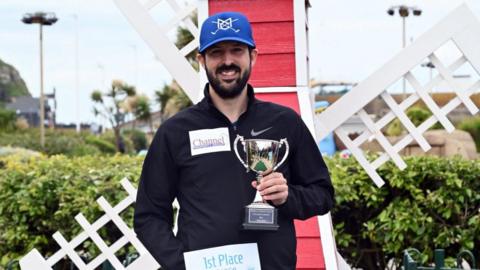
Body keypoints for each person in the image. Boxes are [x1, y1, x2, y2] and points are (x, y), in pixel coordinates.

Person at [134, 11, 334, 270]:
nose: (227, 61)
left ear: (253, 56)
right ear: (201, 60)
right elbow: (148, 216)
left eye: (236, 50)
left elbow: (323, 195)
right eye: (216, 52)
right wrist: (183, 265)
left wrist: (288, 196)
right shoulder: (175, 132)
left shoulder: (285, 123)